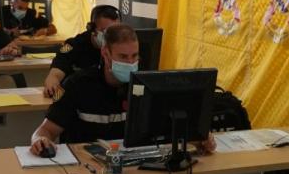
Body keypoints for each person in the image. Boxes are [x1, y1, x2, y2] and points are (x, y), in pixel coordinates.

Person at [29, 24, 216, 154]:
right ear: (105, 53)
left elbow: (166, 129)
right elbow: (45, 131)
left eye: (134, 56)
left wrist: (196, 137)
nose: (130, 62)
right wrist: (40, 141)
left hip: (132, 168)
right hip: (86, 170)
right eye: (123, 56)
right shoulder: (77, 85)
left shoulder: (148, 85)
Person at [42, 5, 120, 98]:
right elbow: (58, 68)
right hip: (76, 96)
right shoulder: (72, 45)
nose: (111, 36)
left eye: (116, 31)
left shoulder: (122, 48)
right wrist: (53, 81)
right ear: (92, 29)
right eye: (105, 31)